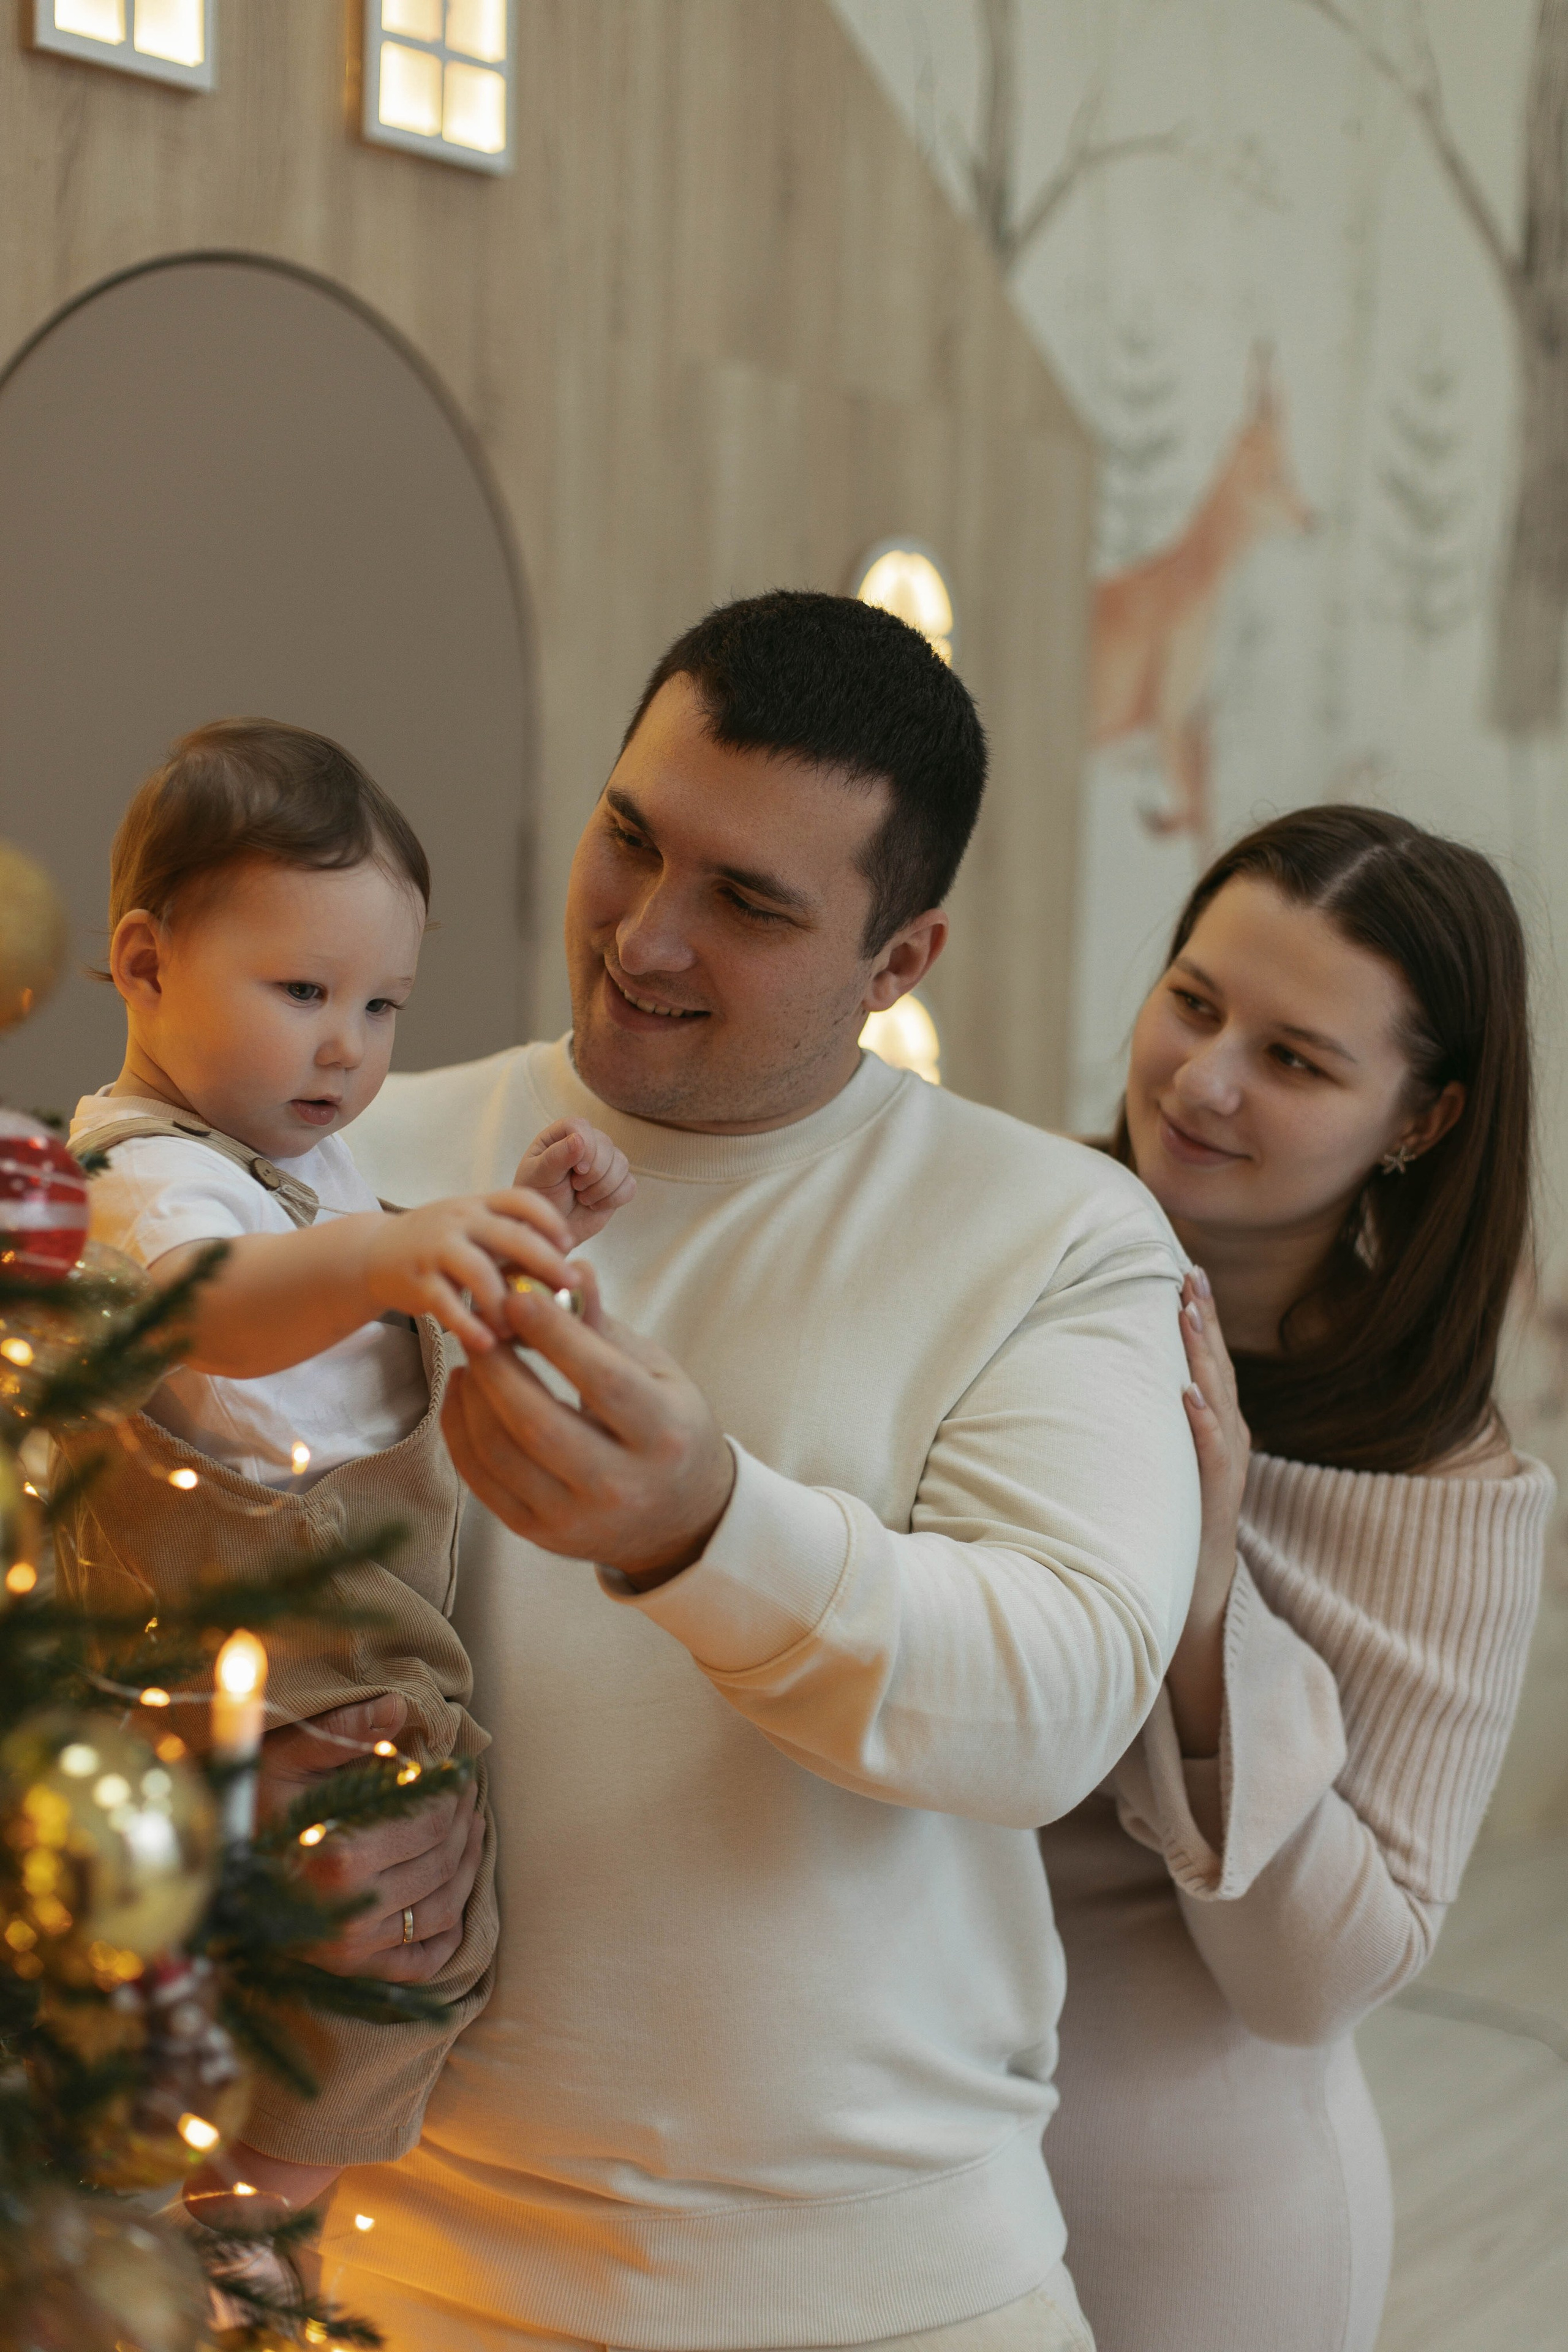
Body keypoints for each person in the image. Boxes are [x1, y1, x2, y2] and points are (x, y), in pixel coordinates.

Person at [252, 589, 1202, 2352]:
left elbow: (1057, 1692)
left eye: (751, 903)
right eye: (632, 840)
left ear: (900, 960)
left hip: (892, 2292)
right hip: (386, 2266)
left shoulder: (1054, 1235)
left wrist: (705, 1529)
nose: (647, 938)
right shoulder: (340, 1164)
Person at [53, 718, 635, 2222]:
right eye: (301, 991)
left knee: (410, 1950)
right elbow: (226, 1319)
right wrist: (389, 1250)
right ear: (142, 963)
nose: (347, 1048)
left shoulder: (307, 1162)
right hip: (229, 1674)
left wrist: (509, 1226)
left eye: (382, 1005)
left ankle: (264, 2225)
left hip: (354, 1647)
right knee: (382, 1942)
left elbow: (369, 1342)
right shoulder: (134, 1174)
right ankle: (252, 2228)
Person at [1038, 807, 1550, 2352]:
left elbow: (1312, 1984)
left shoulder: (1445, 1488)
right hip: (854, 2154)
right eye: (1191, 1002)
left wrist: (1204, 1605)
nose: (1199, 1083)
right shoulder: (1005, 1254)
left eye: (1295, 1059)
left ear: (1420, 1120)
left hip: (1179, 2228)